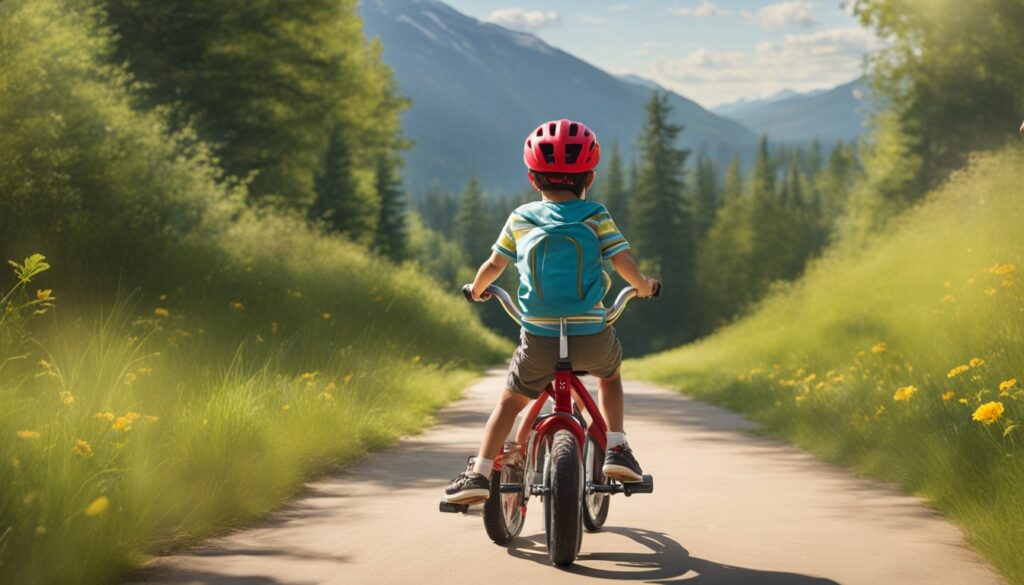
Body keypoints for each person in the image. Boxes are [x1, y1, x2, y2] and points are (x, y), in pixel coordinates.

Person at [444, 118, 660, 504]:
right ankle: (617, 446)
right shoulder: (595, 215)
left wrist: (477, 291)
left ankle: (479, 473)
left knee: (510, 402)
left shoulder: (521, 218)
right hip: (591, 334)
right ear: (589, 178)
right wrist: (643, 286)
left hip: (539, 338)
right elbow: (621, 261)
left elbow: (494, 266)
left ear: (533, 177)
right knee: (609, 377)